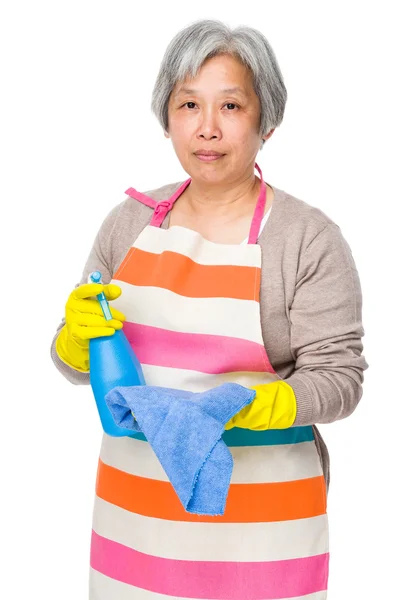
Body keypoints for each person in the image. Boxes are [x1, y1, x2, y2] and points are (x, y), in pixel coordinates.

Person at [50, 18, 369, 600]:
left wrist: (266, 403)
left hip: (263, 519)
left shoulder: (307, 239)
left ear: (266, 120)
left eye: (231, 106)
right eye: (188, 104)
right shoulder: (128, 224)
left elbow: (341, 379)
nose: (207, 128)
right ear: (166, 116)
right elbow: (75, 364)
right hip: (137, 514)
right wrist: (74, 339)